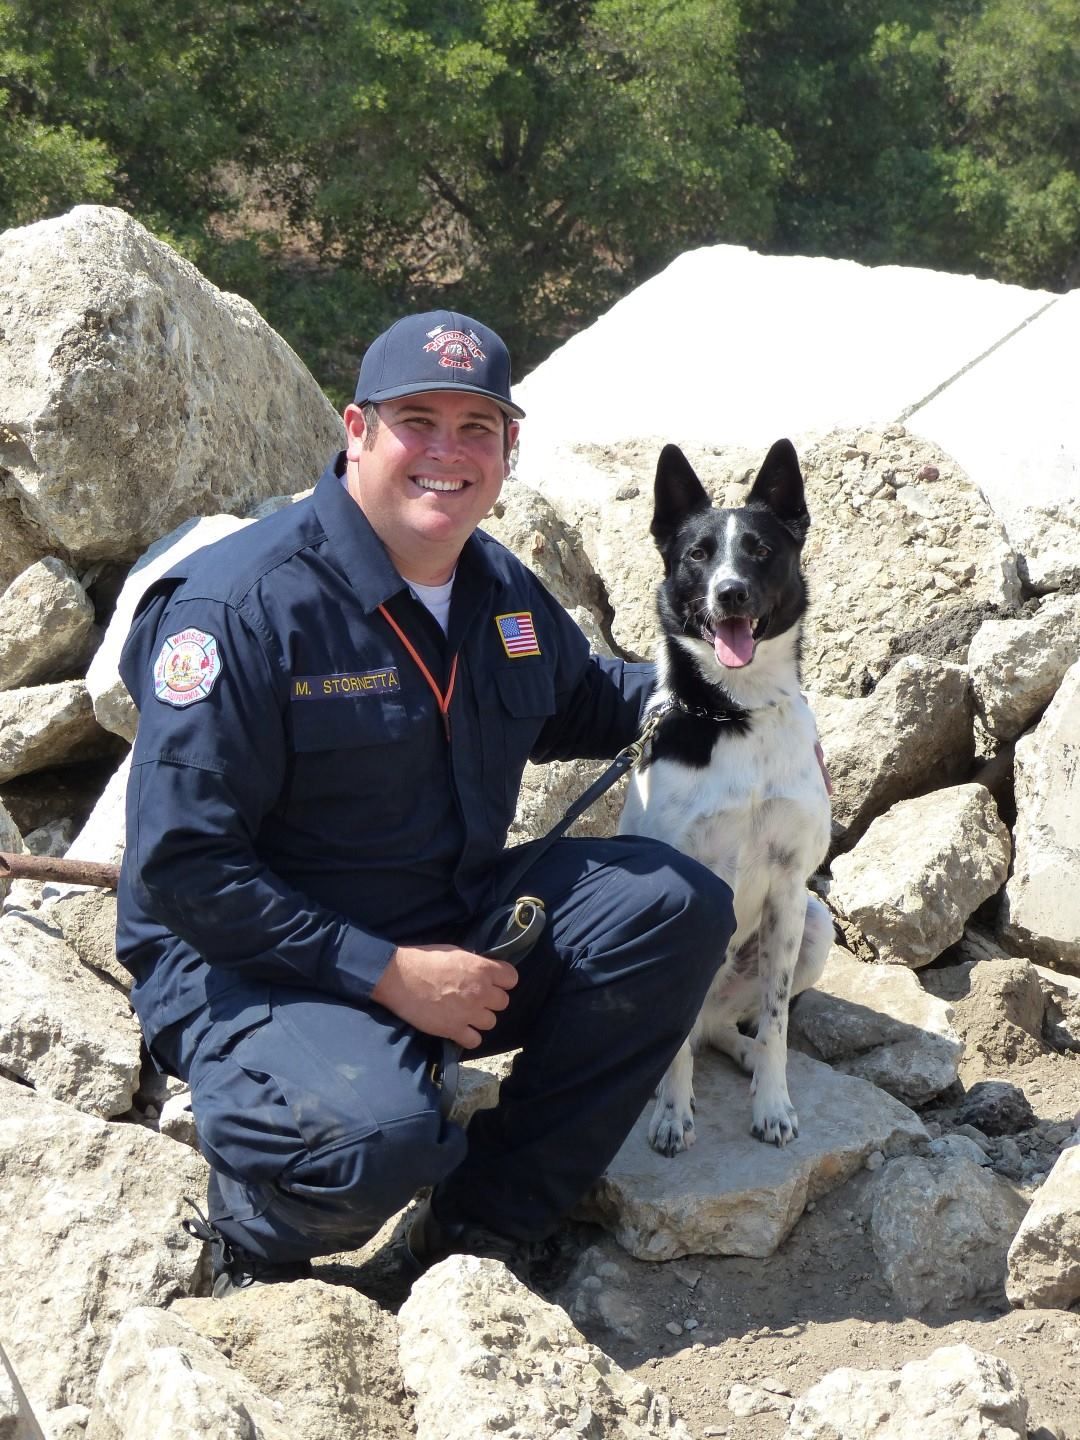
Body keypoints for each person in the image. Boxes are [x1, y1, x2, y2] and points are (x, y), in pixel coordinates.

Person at [116, 309, 736, 1296]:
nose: (447, 453)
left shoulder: (494, 588)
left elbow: (585, 700)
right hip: (254, 961)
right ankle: (252, 1237)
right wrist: (392, 975)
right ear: (356, 431)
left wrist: (735, 700)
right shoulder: (239, 610)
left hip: (444, 915)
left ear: (508, 449)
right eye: (418, 421)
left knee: (671, 906)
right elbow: (185, 869)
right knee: (379, 1139)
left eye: (476, 427)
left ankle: (477, 1235)